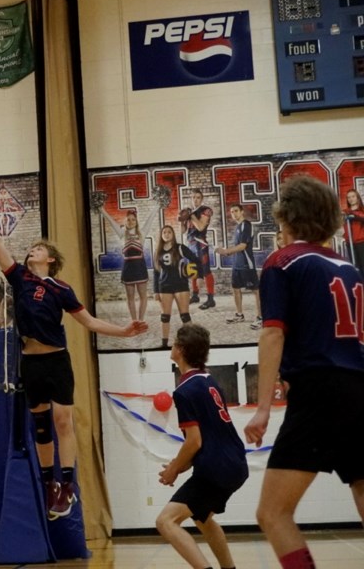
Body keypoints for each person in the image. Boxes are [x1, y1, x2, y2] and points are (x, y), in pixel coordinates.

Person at [0, 200, 148, 519]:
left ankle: (66, 485)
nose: (31, 251)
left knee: (63, 420)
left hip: (57, 362)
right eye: (31, 249)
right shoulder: (20, 277)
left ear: (50, 259)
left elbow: (90, 322)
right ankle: (51, 483)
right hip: (31, 363)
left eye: (37, 249)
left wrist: (124, 331)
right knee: (41, 428)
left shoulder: (61, 289)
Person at [244, 176, 364, 569]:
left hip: (318, 391)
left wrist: (262, 407)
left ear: (286, 217)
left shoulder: (283, 262)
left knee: (272, 513)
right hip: (359, 388)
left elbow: (272, 334)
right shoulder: (349, 267)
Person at [156, 323, 248, 569]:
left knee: (165, 521)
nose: (172, 345)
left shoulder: (184, 390)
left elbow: (194, 441)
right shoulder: (208, 381)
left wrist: (174, 468)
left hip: (215, 469)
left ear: (182, 349)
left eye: (176, 342)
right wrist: (182, 465)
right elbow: (208, 438)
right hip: (236, 464)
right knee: (203, 518)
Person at [100, 203, 159, 322]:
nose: (131, 221)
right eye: (129, 219)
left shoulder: (141, 233)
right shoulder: (122, 233)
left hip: (140, 267)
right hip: (128, 268)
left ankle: (141, 319)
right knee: (130, 297)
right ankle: (134, 321)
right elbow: (111, 222)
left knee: (143, 296)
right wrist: (102, 210)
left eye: (133, 219)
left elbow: (150, 219)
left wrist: (157, 205)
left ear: (136, 221)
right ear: (126, 221)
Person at [215, 204, 261, 328]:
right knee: (235, 289)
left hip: (246, 264)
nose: (233, 213)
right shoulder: (238, 227)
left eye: (236, 211)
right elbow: (237, 248)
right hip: (237, 264)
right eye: (231, 211)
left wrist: (225, 251)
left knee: (256, 291)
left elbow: (243, 246)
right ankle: (239, 315)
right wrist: (228, 252)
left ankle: (260, 317)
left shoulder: (246, 225)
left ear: (242, 212)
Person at [154, 225, 198, 349]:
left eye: (169, 232)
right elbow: (156, 272)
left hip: (181, 285)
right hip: (165, 286)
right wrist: (156, 291)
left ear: (173, 234)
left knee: (185, 316)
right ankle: (164, 344)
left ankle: (192, 343)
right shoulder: (158, 251)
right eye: (164, 232)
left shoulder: (180, 248)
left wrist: (196, 274)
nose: (167, 234)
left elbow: (195, 259)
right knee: (164, 317)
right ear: (161, 235)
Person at [182, 189, 216, 310]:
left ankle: (211, 299)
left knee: (205, 271)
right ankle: (195, 295)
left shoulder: (206, 210)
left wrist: (191, 216)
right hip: (190, 244)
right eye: (193, 197)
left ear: (201, 199)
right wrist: (181, 220)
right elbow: (183, 231)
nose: (195, 199)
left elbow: (201, 227)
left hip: (200, 243)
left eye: (197, 197)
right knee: (193, 270)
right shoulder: (189, 211)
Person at [343, 188, 364, 269]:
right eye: (349, 197)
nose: (351, 199)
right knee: (354, 267)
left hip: (361, 243)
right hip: (350, 244)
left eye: (353, 196)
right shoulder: (345, 212)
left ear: (357, 197)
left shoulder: (362, 211)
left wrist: (354, 215)